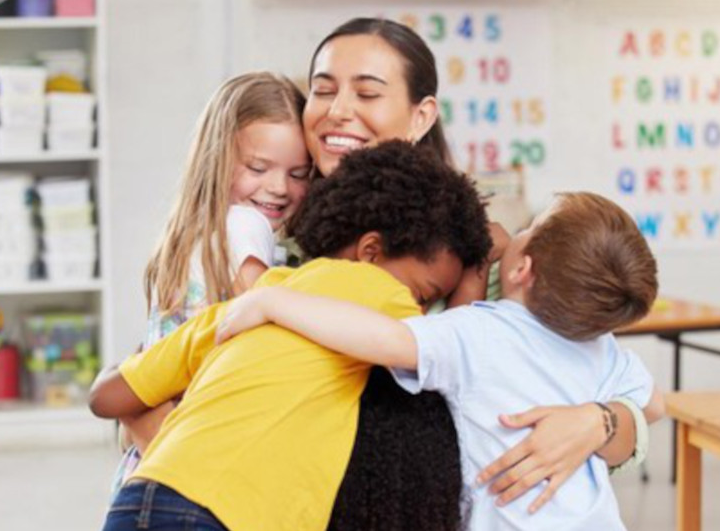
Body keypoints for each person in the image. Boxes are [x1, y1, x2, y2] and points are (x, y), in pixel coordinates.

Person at [299, 18, 654, 526]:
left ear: (422, 116)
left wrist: (595, 423)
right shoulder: (273, 233)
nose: (338, 110)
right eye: (322, 90)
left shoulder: (478, 252)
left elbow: (631, 407)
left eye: (368, 93)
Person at [90, 141, 494, 531]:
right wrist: (478, 272)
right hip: (224, 517)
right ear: (370, 251)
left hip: (139, 499)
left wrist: (136, 361)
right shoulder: (380, 293)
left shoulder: (246, 306)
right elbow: (443, 353)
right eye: (422, 296)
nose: (418, 311)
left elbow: (106, 397)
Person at [218, 192, 665, 529]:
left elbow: (386, 338)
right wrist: (597, 416)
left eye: (529, 227)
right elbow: (655, 405)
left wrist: (275, 302)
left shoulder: (481, 332)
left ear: (521, 270)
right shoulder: (601, 345)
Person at [113, 72, 312, 487]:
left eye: (299, 174)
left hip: (150, 466)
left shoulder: (191, 235)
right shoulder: (244, 224)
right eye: (258, 167)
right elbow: (270, 323)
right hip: (196, 460)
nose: (279, 187)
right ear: (217, 158)